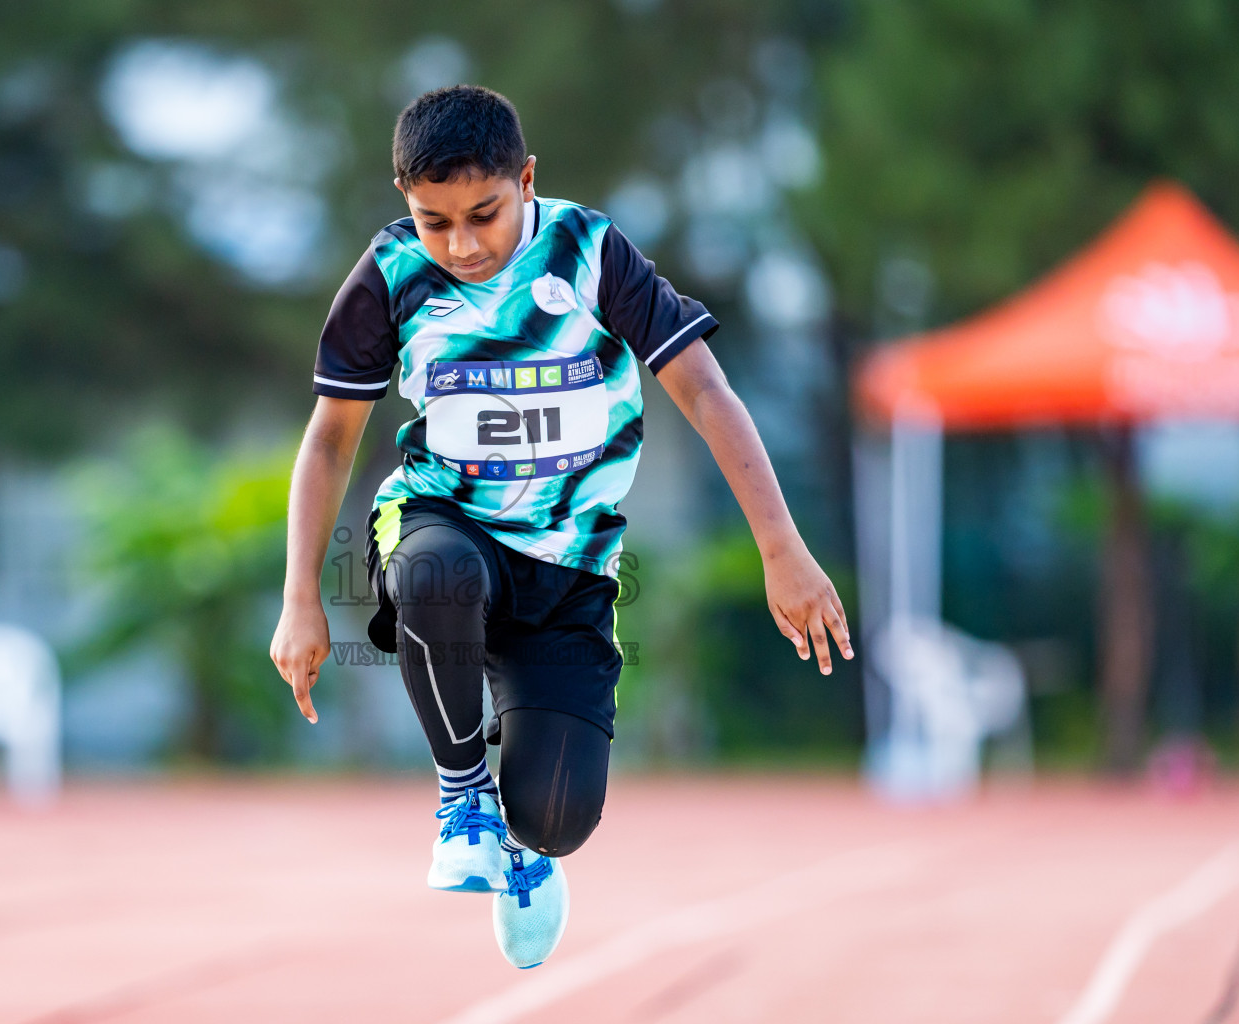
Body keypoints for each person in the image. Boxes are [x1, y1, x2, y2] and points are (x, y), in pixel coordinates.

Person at [269, 84, 851, 969]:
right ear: (405, 205)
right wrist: (299, 599)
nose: (462, 245)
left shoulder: (592, 253)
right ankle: (463, 799)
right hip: (445, 524)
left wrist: (784, 548)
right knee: (435, 575)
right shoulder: (390, 275)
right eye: (435, 221)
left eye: (484, 215)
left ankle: (522, 848)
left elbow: (704, 389)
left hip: (569, 569)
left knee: (558, 816)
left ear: (527, 179)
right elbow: (328, 442)